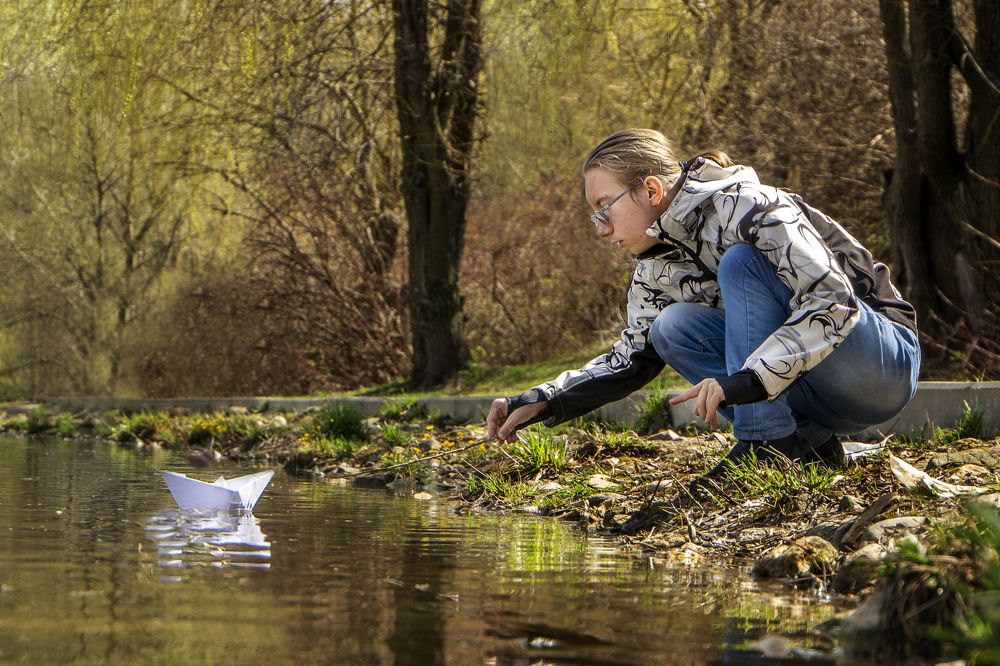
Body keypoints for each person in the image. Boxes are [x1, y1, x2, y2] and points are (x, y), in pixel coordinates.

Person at [485, 128, 920, 479]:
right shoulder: (655, 269)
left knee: (741, 263)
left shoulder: (750, 206)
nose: (601, 229)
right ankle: (798, 445)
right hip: (814, 388)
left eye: (605, 208)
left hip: (881, 366)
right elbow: (628, 360)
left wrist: (747, 380)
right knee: (671, 327)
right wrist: (543, 400)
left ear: (651, 189)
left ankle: (761, 441)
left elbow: (834, 300)